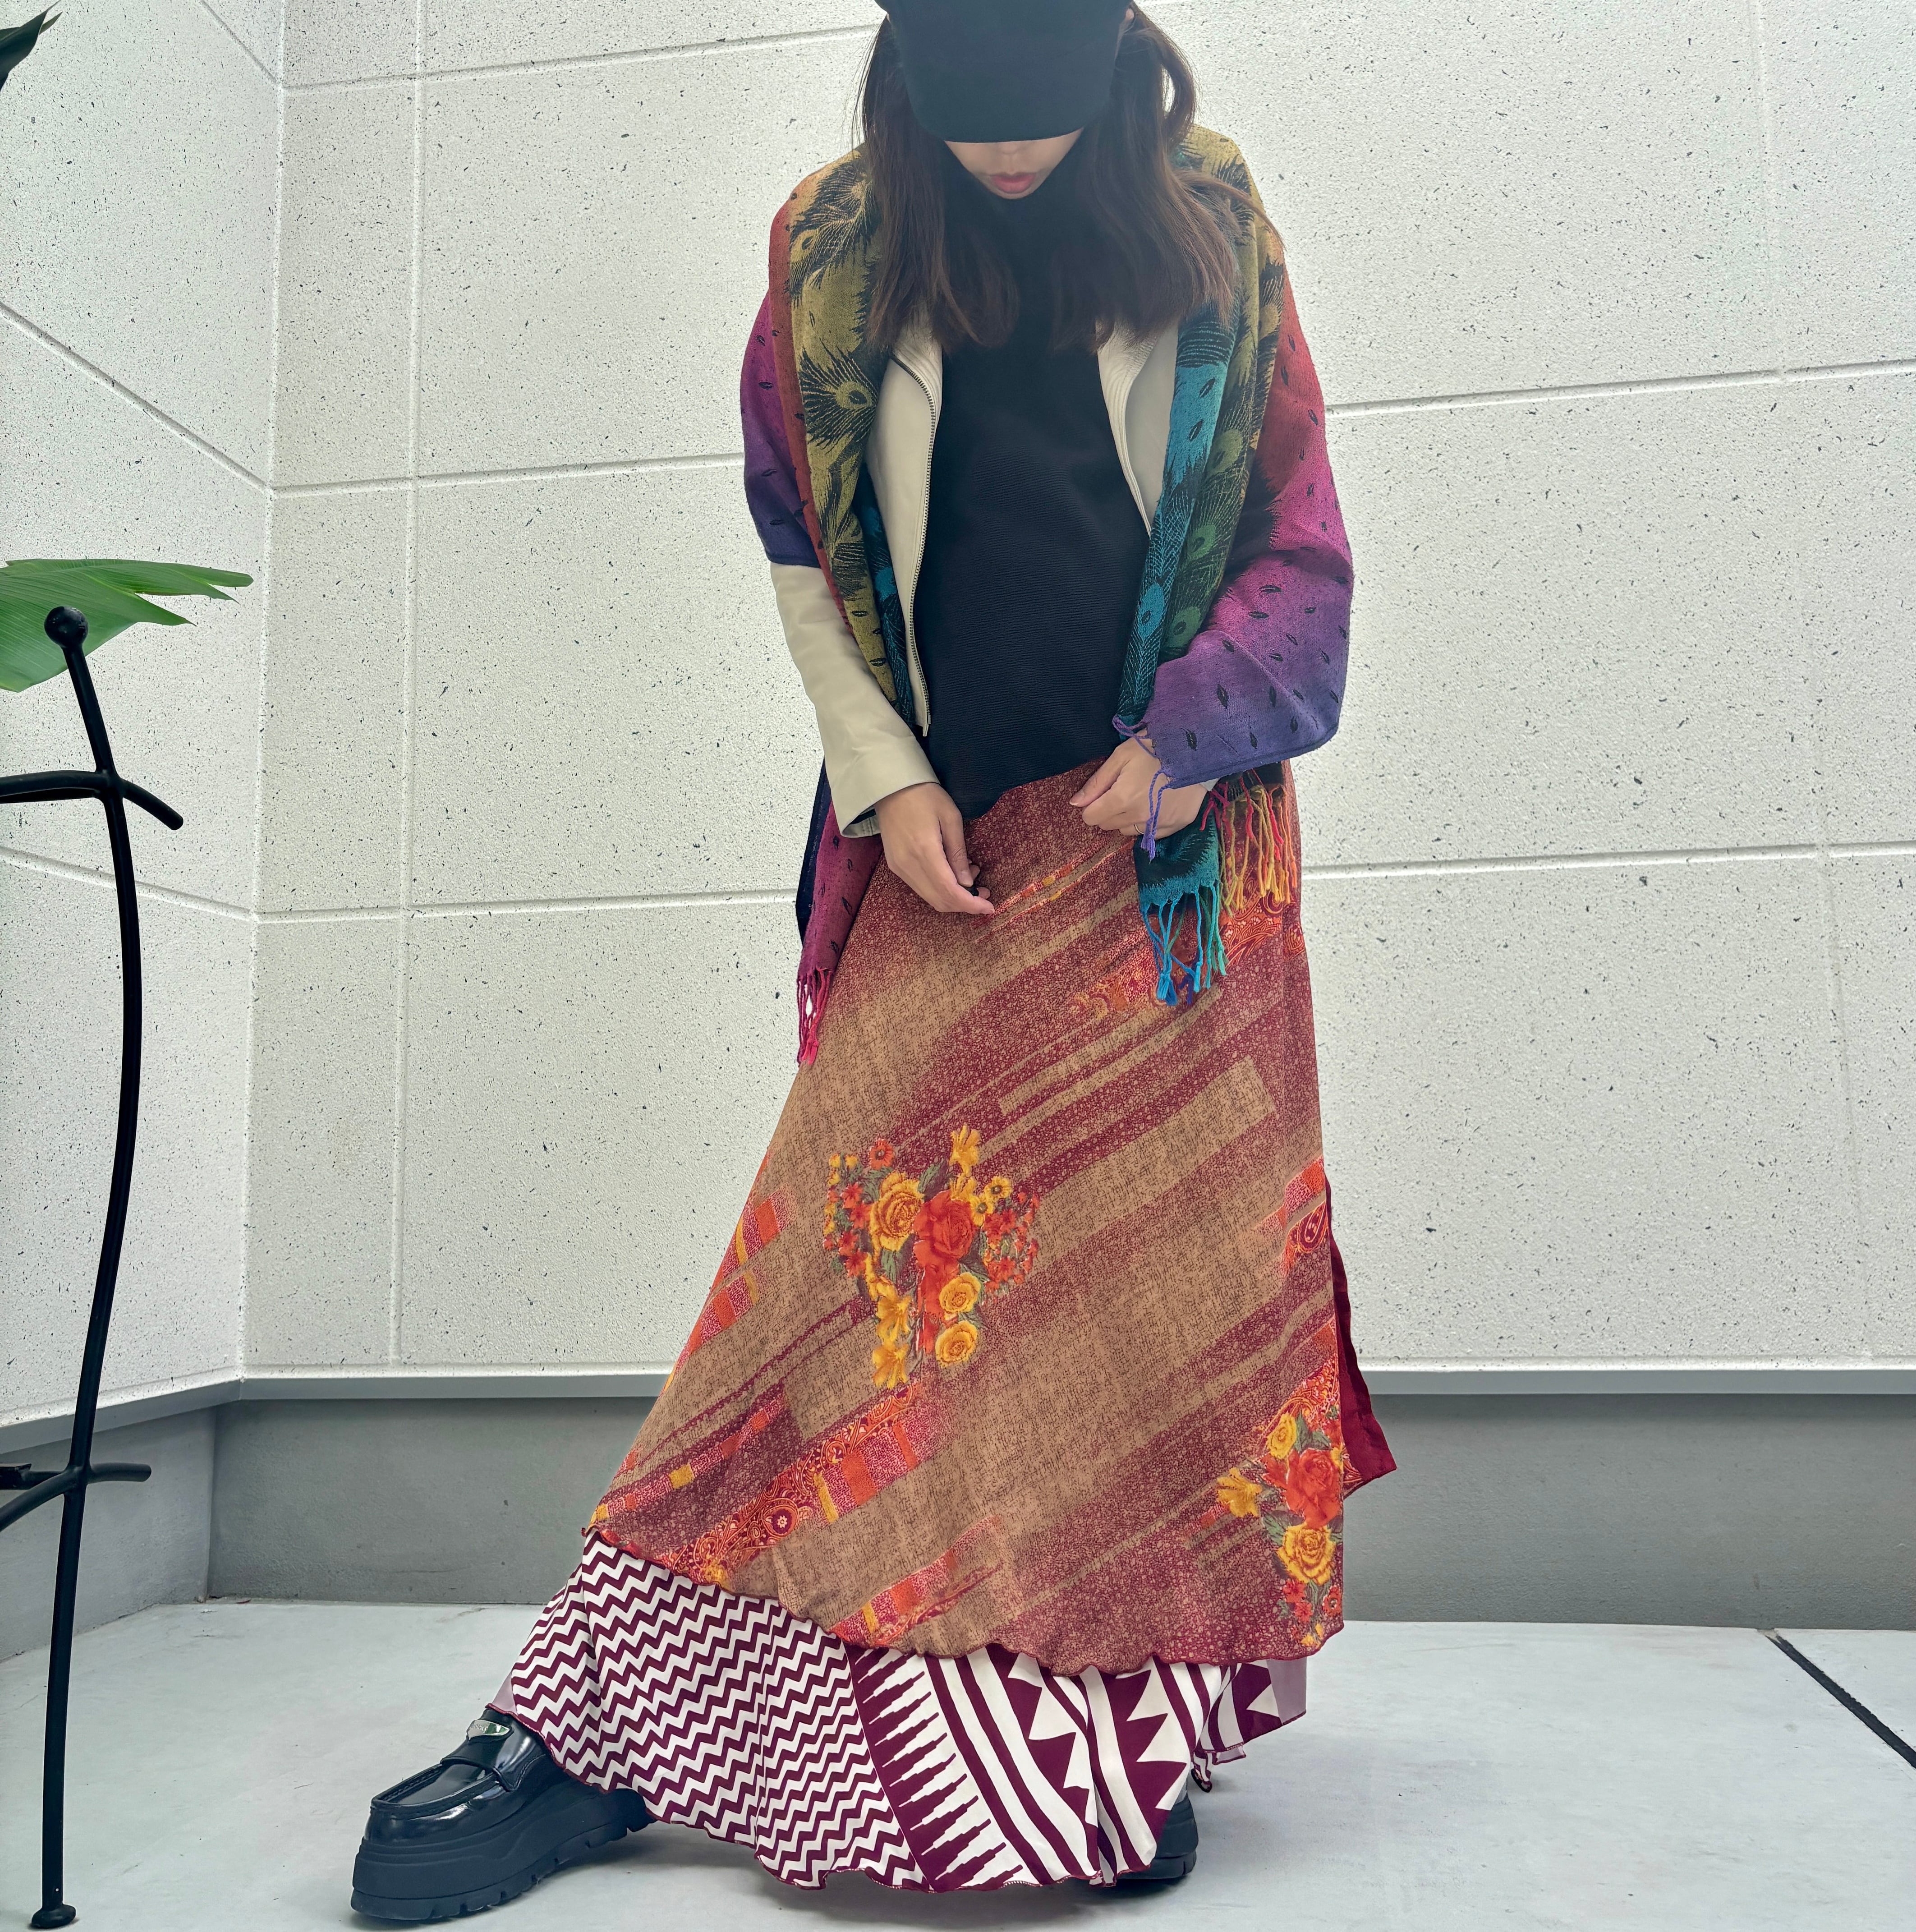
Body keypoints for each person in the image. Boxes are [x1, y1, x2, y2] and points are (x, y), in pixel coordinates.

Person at [349, 1, 1392, 1918]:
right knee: (821, 1300)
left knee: (1150, 1323)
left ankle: (1111, 1741)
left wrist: (1190, 739)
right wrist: (883, 775)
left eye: (1045, 116)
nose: (1009, 154)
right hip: (947, 849)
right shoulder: (833, 247)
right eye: (971, 117)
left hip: (1166, 855)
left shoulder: (1210, 222)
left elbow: (1297, 548)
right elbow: (802, 552)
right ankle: (601, 1718)